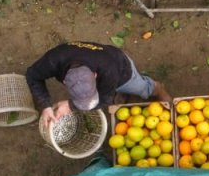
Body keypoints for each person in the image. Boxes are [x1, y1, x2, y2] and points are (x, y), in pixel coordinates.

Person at [26, 41, 171, 128]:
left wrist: (70, 105)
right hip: (99, 64)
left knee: (142, 88)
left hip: (122, 68)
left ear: (95, 75)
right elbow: (32, 75)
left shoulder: (110, 69)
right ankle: (118, 92)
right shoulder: (54, 59)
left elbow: (105, 100)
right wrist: (45, 106)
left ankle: (157, 88)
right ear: (64, 80)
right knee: (109, 89)